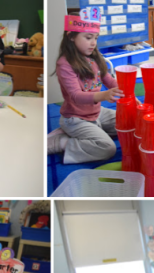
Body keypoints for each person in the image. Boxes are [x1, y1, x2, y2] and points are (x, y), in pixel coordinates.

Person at [48, 9, 122, 163]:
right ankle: (61, 141)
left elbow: (108, 79)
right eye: (88, 38)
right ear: (71, 37)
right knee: (107, 148)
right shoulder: (64, 64)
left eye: (95, 38)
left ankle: (88, 133)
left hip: (97, 113)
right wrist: (104, 95)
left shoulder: (94, 57)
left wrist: (126, 93)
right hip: (75, 118)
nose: (93, 43)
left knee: (130, 122)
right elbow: (76, 96)